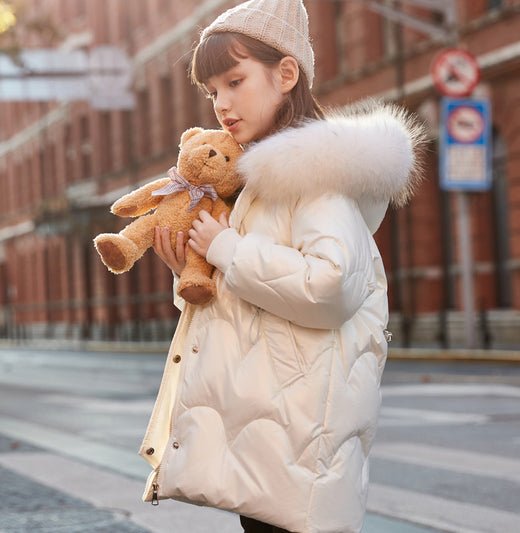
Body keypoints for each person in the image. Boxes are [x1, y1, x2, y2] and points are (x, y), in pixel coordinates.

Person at [140, 1, 424, 532]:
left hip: (296, 441)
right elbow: (255, 307)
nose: (222, 103)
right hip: (272, 438)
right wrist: (191, 273)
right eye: (212, 91)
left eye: (235, 80)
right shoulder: (261, 182)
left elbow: (331, 287)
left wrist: (226, 249)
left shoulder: (314, 178)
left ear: (286, 73)